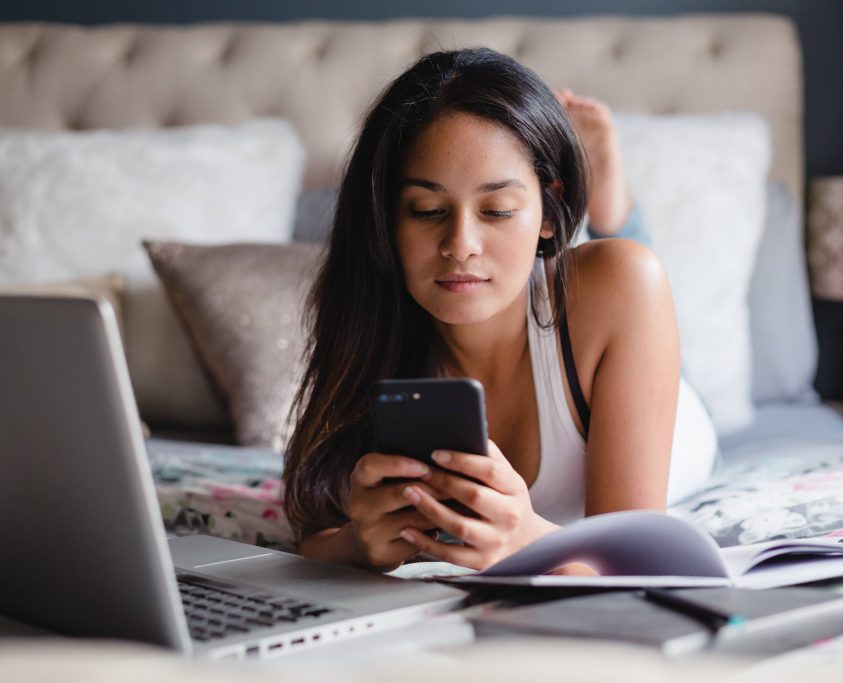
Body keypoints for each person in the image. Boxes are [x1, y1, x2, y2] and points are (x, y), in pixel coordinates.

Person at [283, 47, 681, 573]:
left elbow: (638, 564)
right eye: (426, 211)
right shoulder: (370, 319)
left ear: (548, 208)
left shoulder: (622, 285)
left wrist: (529, 541)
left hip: (639, 370)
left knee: (636, 267)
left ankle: (610, 204)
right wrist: (358, 545)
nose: (460, 244)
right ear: (385, 218)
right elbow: (315, 530)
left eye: (497, 210)